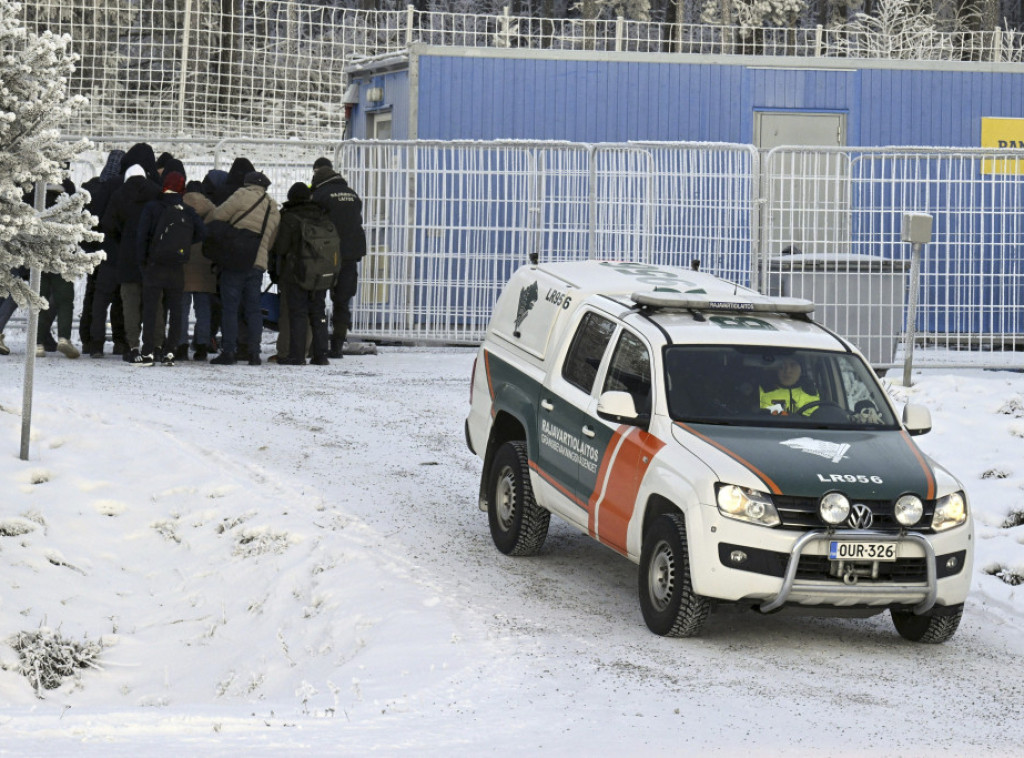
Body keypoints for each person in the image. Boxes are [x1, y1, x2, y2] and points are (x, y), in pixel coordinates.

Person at [205, 170, 279, 366]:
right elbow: (270, 242)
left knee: (230, 307)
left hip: (235, 259)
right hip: (257, 262)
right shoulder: (273, 207)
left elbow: (219, 215)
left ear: (247, 183)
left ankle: (229, 351)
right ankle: (254, 353)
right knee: (253, 309)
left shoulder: (241, 195)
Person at [135, 171, 206, 366]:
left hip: (154, 265)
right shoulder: (186, 210)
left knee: (151, 309)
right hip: (176, 266)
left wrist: (143, 261)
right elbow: (201, 232)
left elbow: (142, 237)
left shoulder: (152, 207)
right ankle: (170, 351)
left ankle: (149, 350)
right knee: (175, 310)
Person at [101, 143, 163, 363]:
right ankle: (155, 345)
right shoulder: (157, 192)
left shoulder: (119, 194)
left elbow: (109, 225)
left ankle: (133, 346)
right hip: (152, 258)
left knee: (129, 304)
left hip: (127, 256)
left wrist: (123, 240)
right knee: (153, 304)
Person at [310, 157, 366, 359]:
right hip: (351, 254)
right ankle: (337, 345)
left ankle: (319, 343)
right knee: (342, 301)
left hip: (326, 254)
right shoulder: (352, 194)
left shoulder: (319, 194)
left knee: (317, 298)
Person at [270, 182, 331, 366]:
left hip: (296, 273)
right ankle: (320, 355)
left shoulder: (289, 218)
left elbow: (280, 247)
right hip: (320, 272)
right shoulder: (322, 216)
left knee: (297, 313)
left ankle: (297, 355)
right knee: (318, 313)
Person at [80, 149, 127, 358]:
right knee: (117, 298)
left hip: (93, 251)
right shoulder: (121, 189)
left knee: (93, 297)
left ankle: (90, 341)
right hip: (114, 251)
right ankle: (119, 341)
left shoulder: (91, 187)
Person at [29, 177, 80, 358]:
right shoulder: (69, 188)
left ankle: (37, 343)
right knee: (65, 298)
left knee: (40, 299)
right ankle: (64, 337)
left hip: (39, 254)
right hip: (62, 252)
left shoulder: (36, 190)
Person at [177, 180, 217, 361]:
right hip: (205, 264)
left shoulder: (178, 206)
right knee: (203, 309)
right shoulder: (213, 210)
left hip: (183, 262)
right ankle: (202, 345)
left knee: (182, 308)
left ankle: (181, 345)